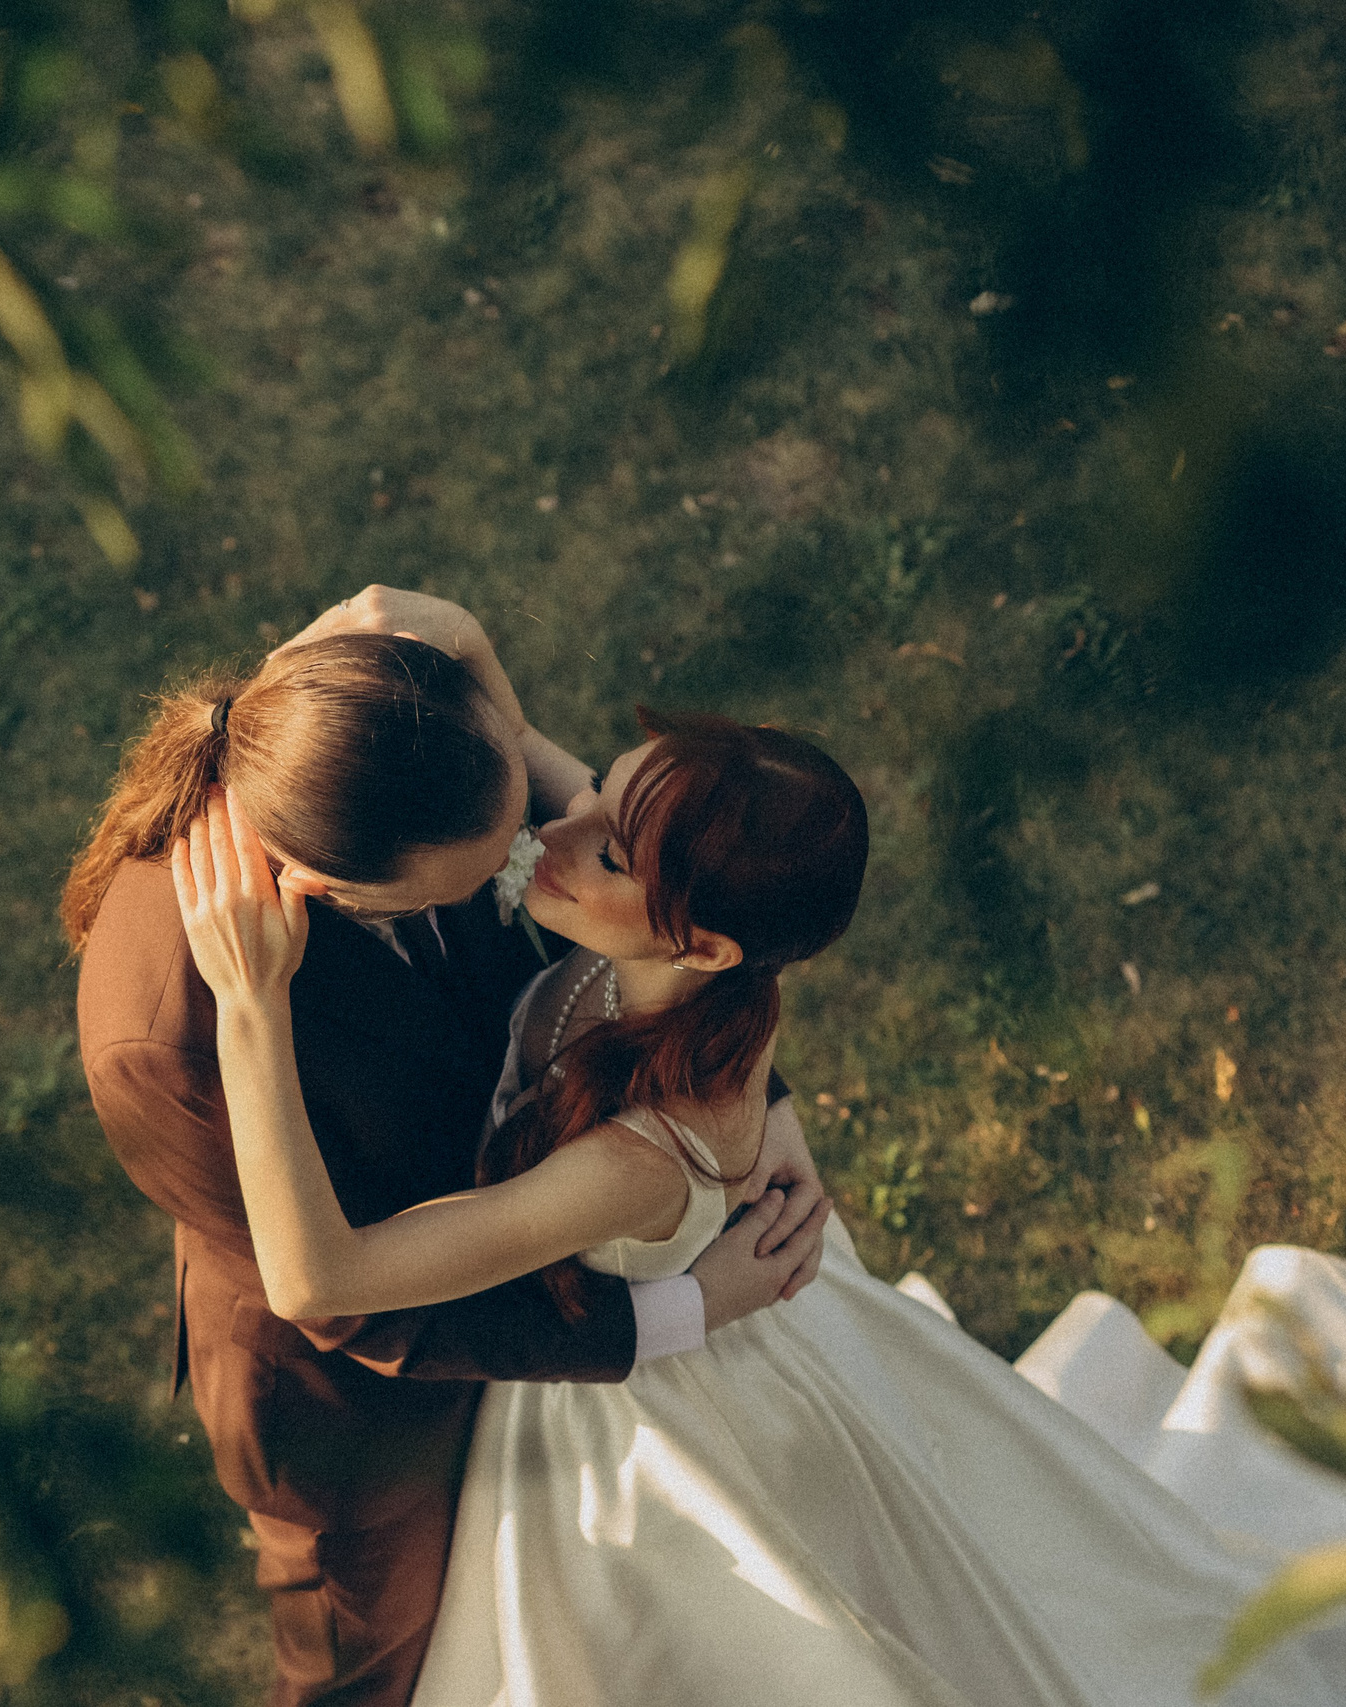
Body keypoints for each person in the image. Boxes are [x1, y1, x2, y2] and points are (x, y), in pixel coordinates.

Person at [172, 714, 1346, 1706]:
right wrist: (366, 649)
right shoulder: (685, 966)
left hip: (650, 1443)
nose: (557, 826)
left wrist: (247, 1003)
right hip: (743, 1337)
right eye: (605, 785)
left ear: (706, 945)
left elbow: (322, 1280)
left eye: (606, 848)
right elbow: (474, 668)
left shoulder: (629, 1157)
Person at [67, 595, 832, 1707]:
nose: (534, 863)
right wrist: (678, 1308)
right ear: (339, 888)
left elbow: (683, 909)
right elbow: (334, 1297)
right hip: (360, 1415)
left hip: (540, 1266)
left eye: (539, 817)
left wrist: (742, 1097)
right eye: (482, 877)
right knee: (369, 1678)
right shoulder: (171, 1038)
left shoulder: (423, 758)